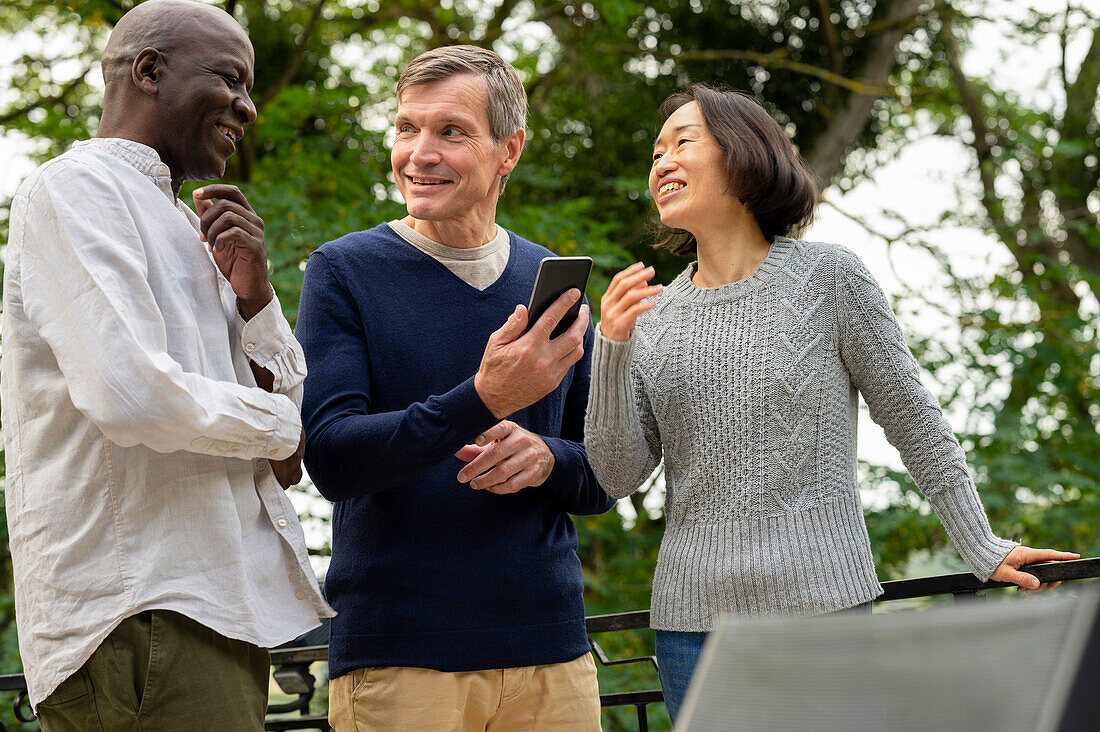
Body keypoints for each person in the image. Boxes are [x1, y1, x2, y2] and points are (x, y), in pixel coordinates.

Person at [583, 83, 1079, 722]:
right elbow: (617, 474)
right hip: (691, 631)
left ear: (743, 156)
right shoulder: (650, 318)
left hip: (823, 610)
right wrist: (612, 347)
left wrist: (979, 544)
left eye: (683, 143)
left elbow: (913, 419)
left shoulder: (828, 278)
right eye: (655, 154)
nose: (662, 164)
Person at [0, 1, 332, 728]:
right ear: (149, 71)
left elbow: (285, 451)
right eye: (231, 79)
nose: (247, 107)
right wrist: (281, 426)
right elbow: (133, 395)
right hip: (139, 610)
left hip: (207, 608)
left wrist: (254, 296)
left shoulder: (188, 223)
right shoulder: (75, 187)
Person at [296, 45, 614, 731]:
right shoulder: (343, 271)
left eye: (451, 131)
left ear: (510, 150)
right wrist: (484, 398)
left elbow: (603, 477)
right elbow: (330, 457)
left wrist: (547, 459)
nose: (419, 153)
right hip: (401, 660)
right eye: (407, 127)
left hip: (552, 658)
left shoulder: (548, 280)